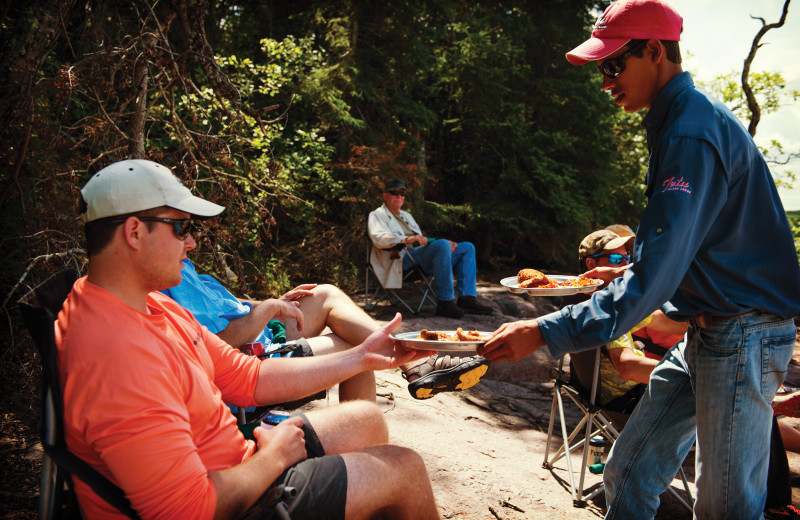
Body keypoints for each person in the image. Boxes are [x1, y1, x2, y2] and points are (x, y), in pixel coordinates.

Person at [478, 1, 800, 518]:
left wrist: (542, 332)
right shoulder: (677, 122)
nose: (605, 82)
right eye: (600, 69)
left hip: (743, 335)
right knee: (627, 473)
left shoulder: (691, 132)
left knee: (726, 508)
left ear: (655, 51)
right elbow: (691, 248)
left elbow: (655, 279)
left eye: (612, 66)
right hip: (707, 333)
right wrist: (628, 271)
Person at [56, 159, 441, 520]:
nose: (190, 244)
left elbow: (247, 378)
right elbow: (186, 510)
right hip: (229, 498)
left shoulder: (147, 302)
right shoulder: (117, 355)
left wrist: (361, 356)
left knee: (367, 419)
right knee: (405, 469)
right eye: (181, 228)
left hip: (233, 461)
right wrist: (272, 459)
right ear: (135, 232)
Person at [162, 258, 490, 401]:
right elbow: (211, 347)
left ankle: (414, 365)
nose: (190, 241)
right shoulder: (159, 292)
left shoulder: (180, 267)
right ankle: (416, 365)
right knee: (354, 347)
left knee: (324, 293)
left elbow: (225, 306)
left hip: (258, 330)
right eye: (179, 229)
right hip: (249, 358)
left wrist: (271, 301)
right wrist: (270, 308)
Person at [573, 230, 687, 413]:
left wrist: (708, 323)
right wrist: (690, 374)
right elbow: (627, 366)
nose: (626, 266)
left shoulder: (581, 299)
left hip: (598, 393)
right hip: (630, 400)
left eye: (628, 258)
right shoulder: (606, 308)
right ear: (591, 264)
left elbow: (665, 323)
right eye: (617, 260)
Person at [368, 178, 493, 318]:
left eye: (402, 193)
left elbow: (419, 242)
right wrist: (408, 239)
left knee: (467, 247)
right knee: (443, 245)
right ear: (385, 195)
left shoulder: (406, 216)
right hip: (399, 262)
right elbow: (379, 238)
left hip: (417, 258)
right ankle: (445, 303)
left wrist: (443, 244)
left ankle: (467, 299)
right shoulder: (377, 215)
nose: (399, 196)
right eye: (394, 192)